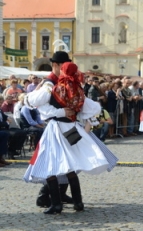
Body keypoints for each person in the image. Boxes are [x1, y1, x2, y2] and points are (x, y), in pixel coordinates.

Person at [23, 62, 118, 214]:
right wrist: (77, 112)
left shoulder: (54, 88)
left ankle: (56, 204)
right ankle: (78, 202)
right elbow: (94, 108)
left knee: (51, 165)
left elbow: (37, 104)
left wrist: (59, 111)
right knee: (70, 165)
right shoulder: (79, 90)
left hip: (56, 129)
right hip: (72, 128)